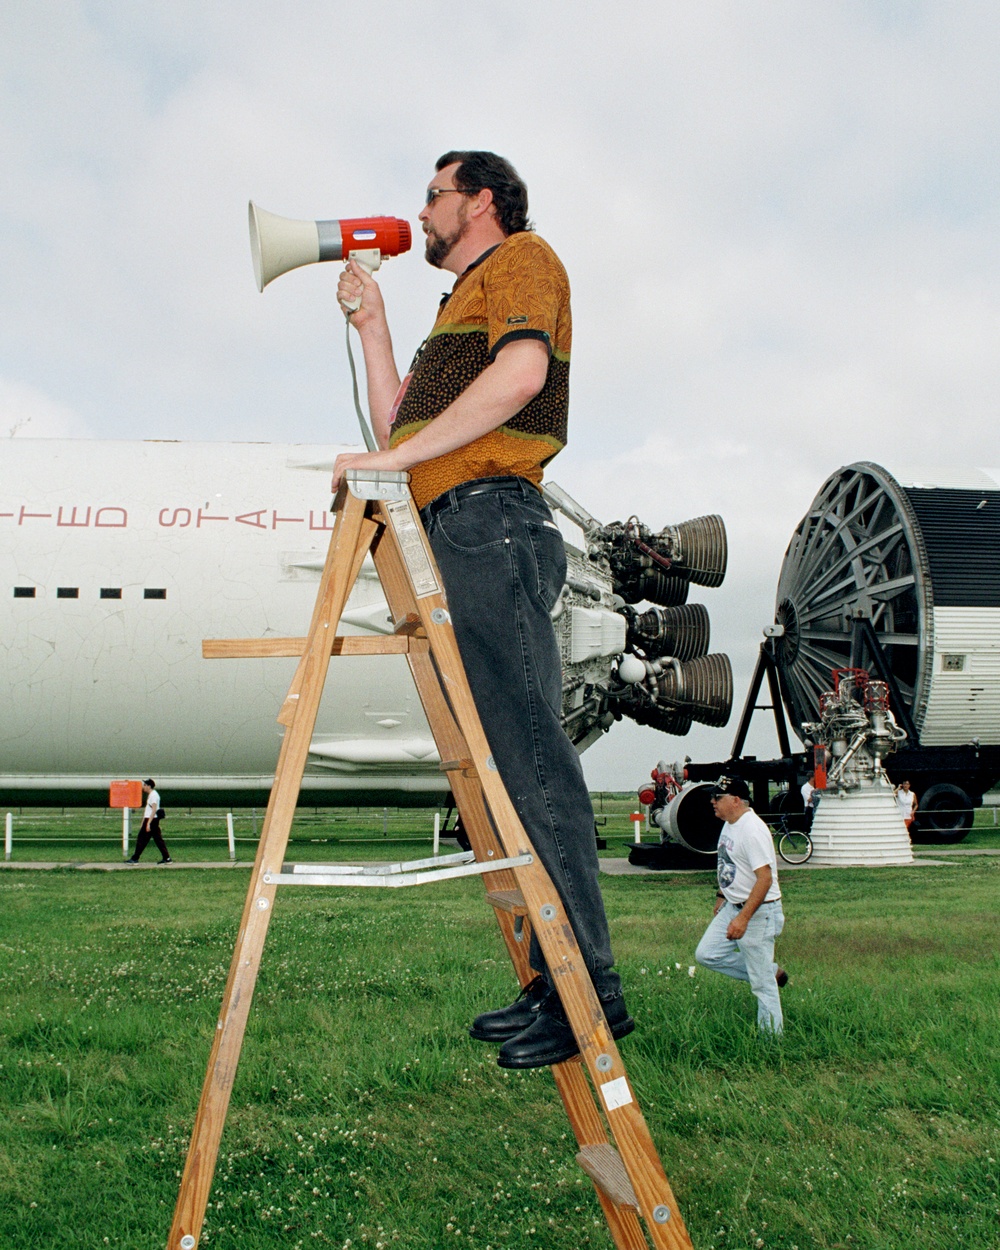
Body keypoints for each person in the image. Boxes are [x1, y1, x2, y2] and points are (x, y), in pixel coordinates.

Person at [330, 151, 631, 1069]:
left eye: (433, 196)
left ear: (482, 202)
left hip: (492, 521)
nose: (419, 213)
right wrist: (376, 327)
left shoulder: (524, 261)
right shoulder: (455, 304)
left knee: (532, 756)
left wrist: (389, 469)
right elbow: (405, 440)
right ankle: (554, 980)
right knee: (508, 762)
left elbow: (522, 377)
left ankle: (590, 997)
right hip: (460, 524)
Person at [695, 776, 786, 1032]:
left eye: (718, 797)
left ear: (735, 800)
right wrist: (722, 895)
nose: (713, 802)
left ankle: (771, 1042)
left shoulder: (752, 830)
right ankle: (769, 971)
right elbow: (729, 862)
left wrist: (743, 918)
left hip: (757, 911)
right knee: (707, 954)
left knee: (762, 986)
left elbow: (765, 879)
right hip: (732, 905)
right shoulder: (729, 823)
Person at [126, 779, 172, 864]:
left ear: (149, 786)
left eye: (145, 785)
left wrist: (148, 823)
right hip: (151, 819)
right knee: (158, 840)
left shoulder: (154, 795)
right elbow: (148, 810)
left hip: (151, 819)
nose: (143, 787)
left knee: (142, 839)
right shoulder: (152, 795)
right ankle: (167, 858)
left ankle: (135, 858)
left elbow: (154, 809)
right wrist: (144, 821)